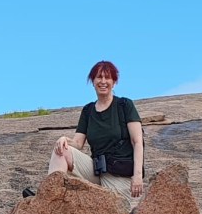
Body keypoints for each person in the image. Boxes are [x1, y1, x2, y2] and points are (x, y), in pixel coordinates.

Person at [45, 60, 145, 200]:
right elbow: (78, 143)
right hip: (96, 171)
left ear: (114, 82)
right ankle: (48, 197)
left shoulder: (124, 105)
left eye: (107, 77)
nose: (103, 81)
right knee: (61, 150)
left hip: (119, 175)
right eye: (99, 77)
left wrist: (138, 176)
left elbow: (137, 142)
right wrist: (63, 140)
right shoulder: (88, 110)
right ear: (93, 81)